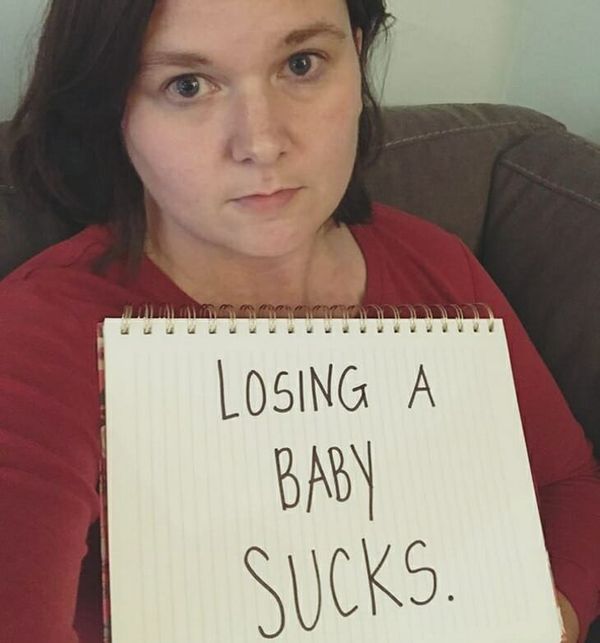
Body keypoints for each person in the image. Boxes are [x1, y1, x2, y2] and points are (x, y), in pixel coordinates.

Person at [0, 0, 598, 641]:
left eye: (301, 63)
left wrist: (544, 622)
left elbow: (568, 483)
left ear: (359, 57)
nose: (261, 142)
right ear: (112, 108)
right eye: (187, 85)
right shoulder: (42, 332)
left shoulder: (437, 266)